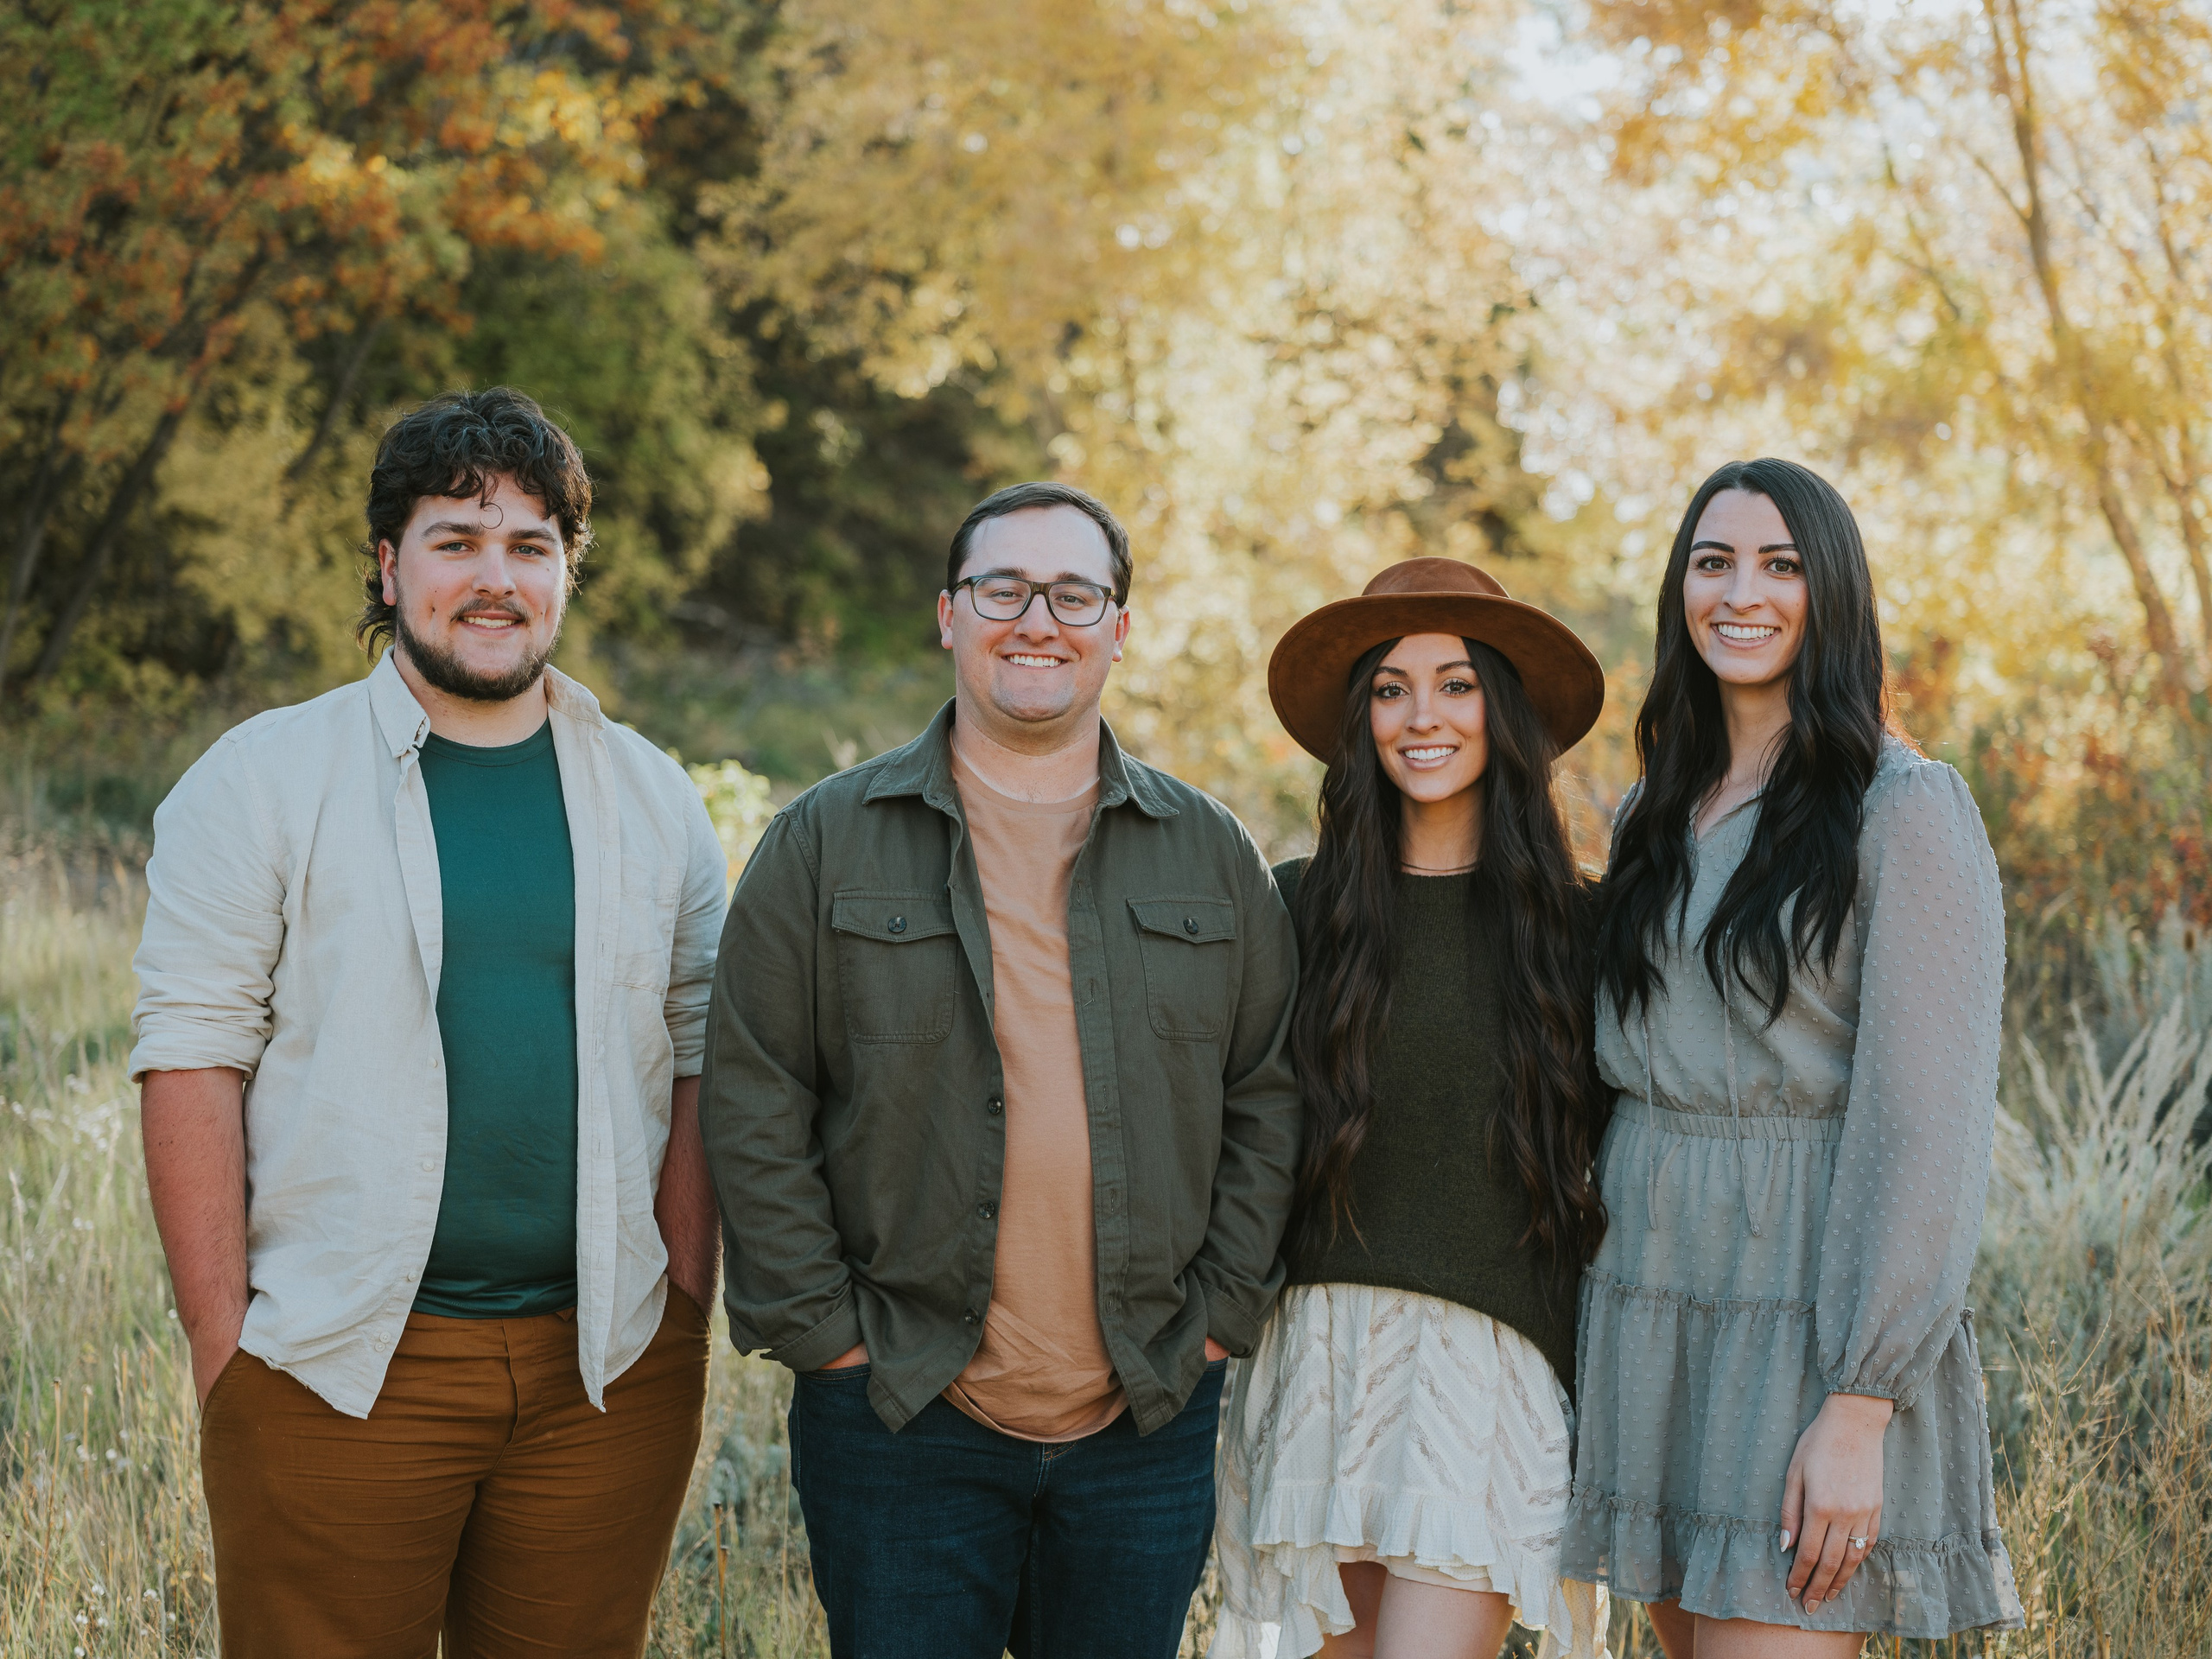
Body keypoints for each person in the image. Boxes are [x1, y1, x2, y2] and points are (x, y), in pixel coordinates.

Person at [130, 387, 728, 1658]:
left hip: (604, 1375)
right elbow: (190, 1055)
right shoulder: (263, 778)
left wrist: (681, 1302)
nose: (493, 578)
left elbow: (698, 1056)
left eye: (529, 545)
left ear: (567, 569)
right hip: (332, 1366)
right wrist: (224, 1349)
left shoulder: (655, 795)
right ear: (388, 566)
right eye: (455, 540)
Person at [702, 480, 1302, 1657]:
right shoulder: (825, 841)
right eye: (1003, 589)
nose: (1039, 618)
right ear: (947, 614)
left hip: (1145, 1417)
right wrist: (829, 1338)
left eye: (1075, 593)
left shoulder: (1211, 855)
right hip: (901, 1415)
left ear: (1119, 629)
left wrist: (1221, 1320)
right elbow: (754, 1094)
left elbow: (1269, 1097)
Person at [1561, 458, 2025, 1654]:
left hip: (1803, 1324)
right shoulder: (1654, 811)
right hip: (1651, 1306)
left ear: (1833, 593)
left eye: (1780, 563)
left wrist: (1860, 1401)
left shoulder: (1902, 807)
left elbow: (1925, 1123)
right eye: (1712, 562)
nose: (1741, 592)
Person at [1212, 558, 1613, 1659]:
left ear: (1504, 708)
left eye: (1454, 684)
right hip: (1318, 1354)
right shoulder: (1296, 906)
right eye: (1390, 689)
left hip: (1490, 1366)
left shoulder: (1581, 928)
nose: (1419, 717)